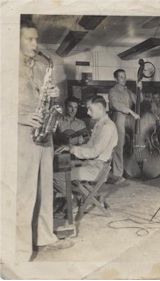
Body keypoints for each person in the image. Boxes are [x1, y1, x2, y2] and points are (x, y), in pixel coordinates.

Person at [17, 18, 72, 262]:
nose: (35, 43)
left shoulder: (41, 64)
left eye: (36, 38)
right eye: (29, 39)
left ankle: (45, 236)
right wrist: (23, 117)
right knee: (24, 193)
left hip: (44, 132)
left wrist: (54, 95)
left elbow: (49, 98)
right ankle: (19, 248)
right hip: (22, 133)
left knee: (45, 189)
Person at [54, 95, 118, 195]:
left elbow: (94, 152)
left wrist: (72, 149)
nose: (88, 112)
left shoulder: (107, 127)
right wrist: (70, 148)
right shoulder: (99, 124)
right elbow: (89, 145)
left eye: (90, 109)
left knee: (57, 176)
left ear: (100, 108)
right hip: (92, 164)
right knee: (60, 168)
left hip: (97, 169)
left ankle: (72, 203)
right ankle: (71, 198)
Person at [108, 69, 142, 183]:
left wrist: (139, 88)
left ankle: (128, 170)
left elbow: (139, 100)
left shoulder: (127, 91)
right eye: (121, 77)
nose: (124, 79)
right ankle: (117, 174)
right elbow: (116, 105)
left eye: (124, 76)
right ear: (116, 79)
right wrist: (131, 112)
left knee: (128, 145)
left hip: (129, 120)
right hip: (119, 118)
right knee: (119, 147)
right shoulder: (113, 91)